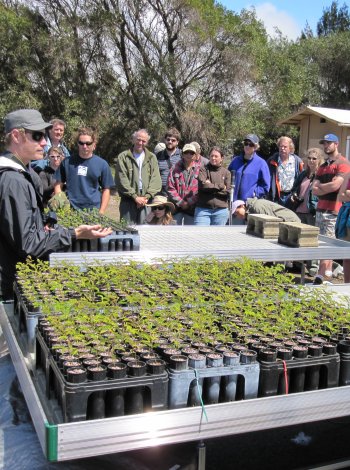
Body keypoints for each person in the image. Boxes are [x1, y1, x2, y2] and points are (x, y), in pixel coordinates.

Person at [0, 109, 112, 300]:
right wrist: (74, 233)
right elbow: (28, 243)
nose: (44, 142)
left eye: (44, 136)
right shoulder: (13, 181)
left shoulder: (24, 174)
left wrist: (48, 222)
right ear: (17, 136)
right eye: (37, 136)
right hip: (10, 286)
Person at [312, 133, 350, 284]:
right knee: (321, 244)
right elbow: (313, 189)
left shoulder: (343, 163)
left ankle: (322, 276)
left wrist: (321, 186)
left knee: (330, 244)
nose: (326, 146)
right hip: (320, 209)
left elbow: (337, 186)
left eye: (329, 143)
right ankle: (324, 275)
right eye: (324, 143)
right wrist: (323, 187)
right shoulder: (322, 166)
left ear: (336, 144)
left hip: (334, 211)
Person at [54, 127, 114, 213]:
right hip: (69, 210)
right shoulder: (67, 162)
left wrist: (101, 211)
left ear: (94, 144)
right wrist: (61, 204)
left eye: (88, 143)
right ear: (77, 144)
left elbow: (106, 190)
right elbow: (58, 185)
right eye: (81, 143)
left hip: (93, 211)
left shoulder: (102, 164)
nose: (84, 146)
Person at [115, 129, 161, 224]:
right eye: (138, 140)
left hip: (146, 201)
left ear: (147, 142)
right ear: (133, 140)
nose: (140, 143)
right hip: (128, 201)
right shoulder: (123, 157)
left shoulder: (152, 157)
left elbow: (156, 179)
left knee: (146, 231)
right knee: (127, 231)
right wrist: (135, 197)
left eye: (143, 141)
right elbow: (121, 179)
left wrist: (146, 197)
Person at [194, 146, 231, 225]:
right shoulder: (203, 170)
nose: (213, 158)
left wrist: (209, 186)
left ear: (222, 158)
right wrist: (221, 186)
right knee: (200, 235)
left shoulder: (226, 173)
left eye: (216, 156)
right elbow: (203, 186)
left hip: (221, 211)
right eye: (211, 156)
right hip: (203, 210)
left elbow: (227, 191)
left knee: (217, 237)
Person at [228, 134, 270, 202]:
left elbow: (265, 186)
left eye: (251, 144)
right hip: (233, 201)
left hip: (250, 203)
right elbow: (227, 176)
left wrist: (255, 193)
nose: (247, 146)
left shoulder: (261, 163)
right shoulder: (235, 161)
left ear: (256, 147)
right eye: (246, 143)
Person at [288, 148, 324, 225]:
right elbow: (294, 188)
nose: (311, 160)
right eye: (309, 158)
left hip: (312, 213)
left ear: (319, 160)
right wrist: (293, 195)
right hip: (298, 210)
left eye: (314, 158)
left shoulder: (322, 175)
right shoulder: (303, 174)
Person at [167, 143, 201, 225]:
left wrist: (188, 202)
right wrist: (181, 202)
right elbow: (170, 187)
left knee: (190, 235)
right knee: (174, 234)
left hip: (192, 209)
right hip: (176, 208)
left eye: (191, 153)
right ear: (182, 154)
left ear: (195, 155)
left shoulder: (200, 169)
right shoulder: (174, 168)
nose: (189, 155)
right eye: (186, 152)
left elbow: (200, 189)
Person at [267, 136, 303, 206]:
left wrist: (296, 193)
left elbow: (301, 179)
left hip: (291, 197)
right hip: (276, 197)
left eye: (285, 147)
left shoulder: (297, 162)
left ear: (290, 148)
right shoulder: (272, 160)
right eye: (281, 146)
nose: (282, 149)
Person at [156, 128, 182, 195]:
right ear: (165, 140)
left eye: (173, 140)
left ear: (177, 142)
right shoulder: (158, 156)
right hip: (161, 194)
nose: (170, 142)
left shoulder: (182, 156)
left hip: (178, 194)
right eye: (168, 139)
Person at [232, 198, 301, 223]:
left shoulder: (257, 207)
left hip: (290, 220)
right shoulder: (252, 210)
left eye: (236, 212)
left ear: (242, 206)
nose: (237, 216)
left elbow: (270, 222)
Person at [336, 174, 350, 282]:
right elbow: (341, 196)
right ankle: (347, 286)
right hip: (347, 217)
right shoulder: (348, 175)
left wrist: (348, 193)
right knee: (347, 254)